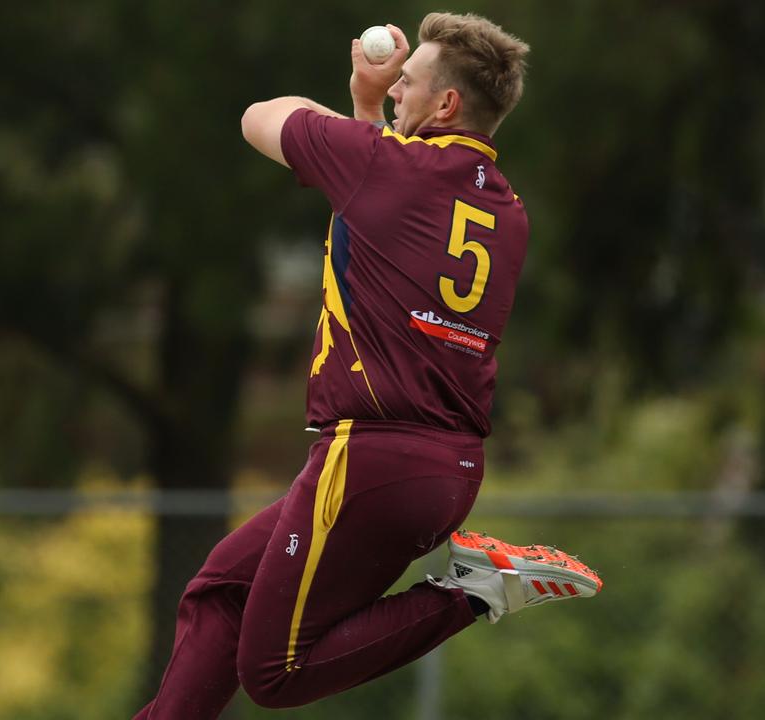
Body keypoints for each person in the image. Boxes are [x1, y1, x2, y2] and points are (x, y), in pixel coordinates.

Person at [133, 12, 601, 718]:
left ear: (445, 105)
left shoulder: (387, 166)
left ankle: (472, 592)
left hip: (370, 462)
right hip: (446, 470)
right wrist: (371, 110)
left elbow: (260, 117)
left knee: (273, 672)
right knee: (223, 588)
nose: (396, 93)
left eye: (407, 85)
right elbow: (373, 224)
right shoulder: (507, 211)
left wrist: (362, 95)